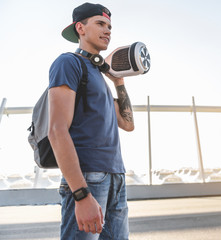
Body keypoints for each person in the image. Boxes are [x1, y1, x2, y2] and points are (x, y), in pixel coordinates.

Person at [47, 3, 134, 240]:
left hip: (116, 175)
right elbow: (56, 130)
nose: (108, 30)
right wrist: (81, 194)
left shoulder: (99, 76)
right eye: (100, 24)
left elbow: (127, 124)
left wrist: (118, 82)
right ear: (80, 28)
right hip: (88, 176)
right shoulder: (69, 63)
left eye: (109, 26)